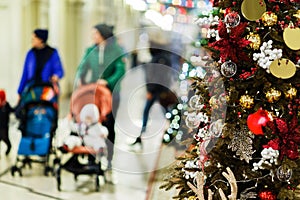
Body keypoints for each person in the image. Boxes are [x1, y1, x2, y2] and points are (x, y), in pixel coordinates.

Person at [74, 23, 126, 174]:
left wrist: (107, 81)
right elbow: (82, 68)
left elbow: (120, 70)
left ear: (103, 35)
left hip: (112, 93)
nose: (93, 37)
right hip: (94, 94)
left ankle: (109, 157)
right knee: (91, 123)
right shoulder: (91, 50)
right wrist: (81, 83)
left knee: (109, 124)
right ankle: (91, 156)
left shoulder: (116, 50)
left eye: (95, 34)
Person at [130, 42, 179, 150]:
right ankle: (174, 133)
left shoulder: (159, 59)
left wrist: (150, 90)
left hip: (157, 91)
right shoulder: (164, 58)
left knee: (148, 112)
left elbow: (155, 76)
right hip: (161, 90)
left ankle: (142, 136)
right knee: (167, 112)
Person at [17, 29, 64, 98]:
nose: (32, 40)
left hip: (47, 88)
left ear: (41, 40)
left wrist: (56, 76)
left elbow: (59, 70)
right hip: (32, 88)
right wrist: (20, 92)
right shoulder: (30, 54)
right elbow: (25, 75)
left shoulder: (52, 53)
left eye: (34, 38)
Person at [0, 89, 14, 155]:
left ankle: (9, 147)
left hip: (4, 127)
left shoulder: (6, 105)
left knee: (5, 139)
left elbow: (13, 110)